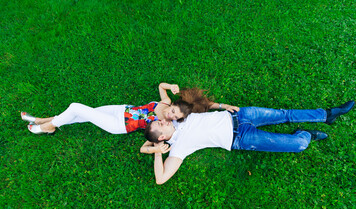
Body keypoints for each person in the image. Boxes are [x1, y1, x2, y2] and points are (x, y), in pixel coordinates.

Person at [143, 101, 355, 184]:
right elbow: (161, 179)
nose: (163, 119)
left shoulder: (178, 117)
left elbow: (200, 104)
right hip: (241, 138)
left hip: (239, 115)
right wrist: (157, 151)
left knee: (284, 114)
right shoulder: (179, 147)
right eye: (160, 124)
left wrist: (220, 105)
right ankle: (305, 135)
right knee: (296, 146)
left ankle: (327, 115)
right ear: (162, 137)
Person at [21, 83, 238, 138]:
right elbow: (162, 86)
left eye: (176, 117)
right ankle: (42, 120)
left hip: (120, 125)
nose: (171, 116)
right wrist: (171, 85)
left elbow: (202, 109)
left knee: (77, 107)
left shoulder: (167, 125)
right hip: (120, 109)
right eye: (173, 111)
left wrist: (220, 107)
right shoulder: (163, 103)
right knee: (79, 115)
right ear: (172, 105)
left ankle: (48, 127)